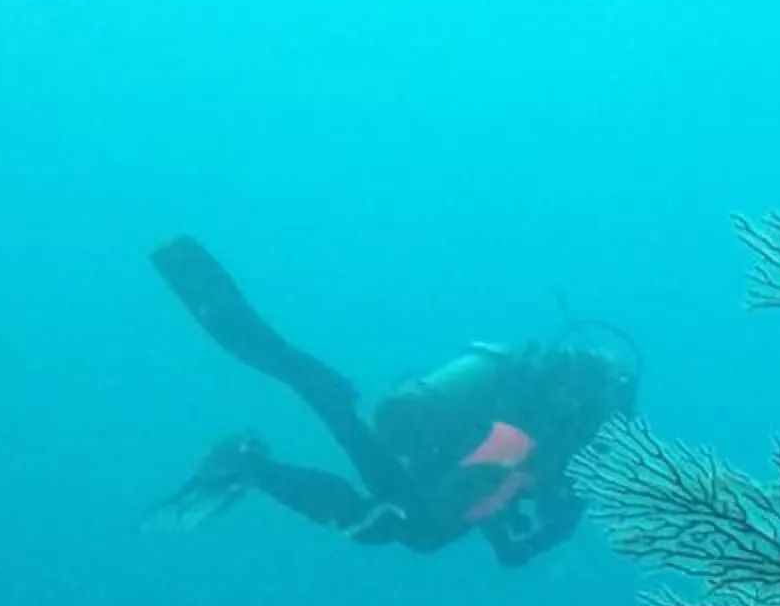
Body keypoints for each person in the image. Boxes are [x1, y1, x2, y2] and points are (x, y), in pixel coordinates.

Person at [145, 236, 637, 567]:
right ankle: (253, 461)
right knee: (408, 525)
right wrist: (519, 536)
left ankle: (266, 447)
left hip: (428, 446)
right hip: (438, 457)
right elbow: (512, 480)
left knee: (389, 501)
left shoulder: (543, 411)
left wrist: (510, 528)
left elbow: (501, 485)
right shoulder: (557, 429)